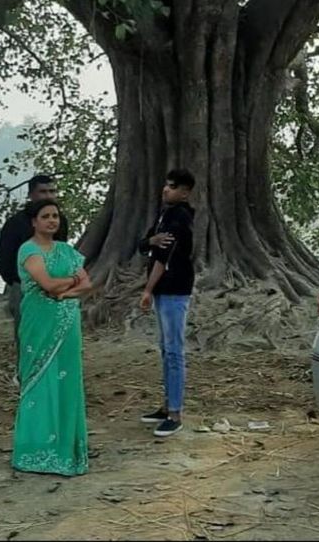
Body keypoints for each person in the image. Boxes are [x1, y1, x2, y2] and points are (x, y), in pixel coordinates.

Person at [12, 198, 92, 476]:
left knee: (67, 381)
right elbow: (45, 283)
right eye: (45, 216)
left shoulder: (67, 251)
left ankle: (65, 450)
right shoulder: (28, 250)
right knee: (38, 382)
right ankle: (34, 450)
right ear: (34, 222)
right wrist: (70, 282)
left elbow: (88, 284)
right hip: (39, 324)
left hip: (68, 325)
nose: (51, 221)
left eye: (55, 216)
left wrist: (63, 293)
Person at [137, 169, 196, 438]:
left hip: (174, 289)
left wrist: (147, 290)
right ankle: (166, 405)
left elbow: (163, 255)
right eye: (165, 184)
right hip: (163, 290)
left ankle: (175, 413)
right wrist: (150, 240)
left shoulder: (180, 218)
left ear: (184, 192)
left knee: (174, 351)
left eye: (172, 186)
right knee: (165, 349)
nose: (165, 189)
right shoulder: (164, 215)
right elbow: (144, 244)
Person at [0, 175, 71, 365]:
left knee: (53, 331)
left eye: (52, 191)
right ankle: (26, 375)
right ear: (31, 195)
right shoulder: (15, 224)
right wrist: (19, 282)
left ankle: (50, 372)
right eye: (43, 191)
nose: (48, 195)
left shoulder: (60, 221)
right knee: (27, 334)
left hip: (52, 288)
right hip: (23, 288)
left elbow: (61, 253)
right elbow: (2, 260)